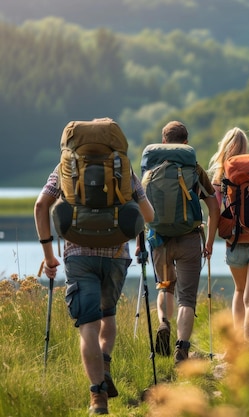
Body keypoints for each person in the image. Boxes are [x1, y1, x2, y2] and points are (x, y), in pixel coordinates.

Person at [34, 120, 155, 415]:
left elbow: (41, 206)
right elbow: (148, 214)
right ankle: (105, 363)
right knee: (107, 315)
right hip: (115, 254)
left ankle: (96, 397)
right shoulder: (123, 169)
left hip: (77, 254)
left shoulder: (65, 168)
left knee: (88, 325)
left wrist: (49, 255)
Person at [147, 121, 220, 364]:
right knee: (186, 298)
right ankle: (182, 348)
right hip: (189, 240)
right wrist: (209, 242)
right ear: (186, 142)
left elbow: (139, 208)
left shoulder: (150, 167)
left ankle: (163, 323)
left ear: (164, 142)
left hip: (159, 240)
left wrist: (139, 242)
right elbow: (213, 206)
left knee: (165, 286)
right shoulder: (194, 169)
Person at [208, 127, 249, 342]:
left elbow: (214, 213)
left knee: (239, 291)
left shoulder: (219, 177)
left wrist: (208, 243)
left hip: (234, 243)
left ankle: (236, 346)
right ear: (246, 148)